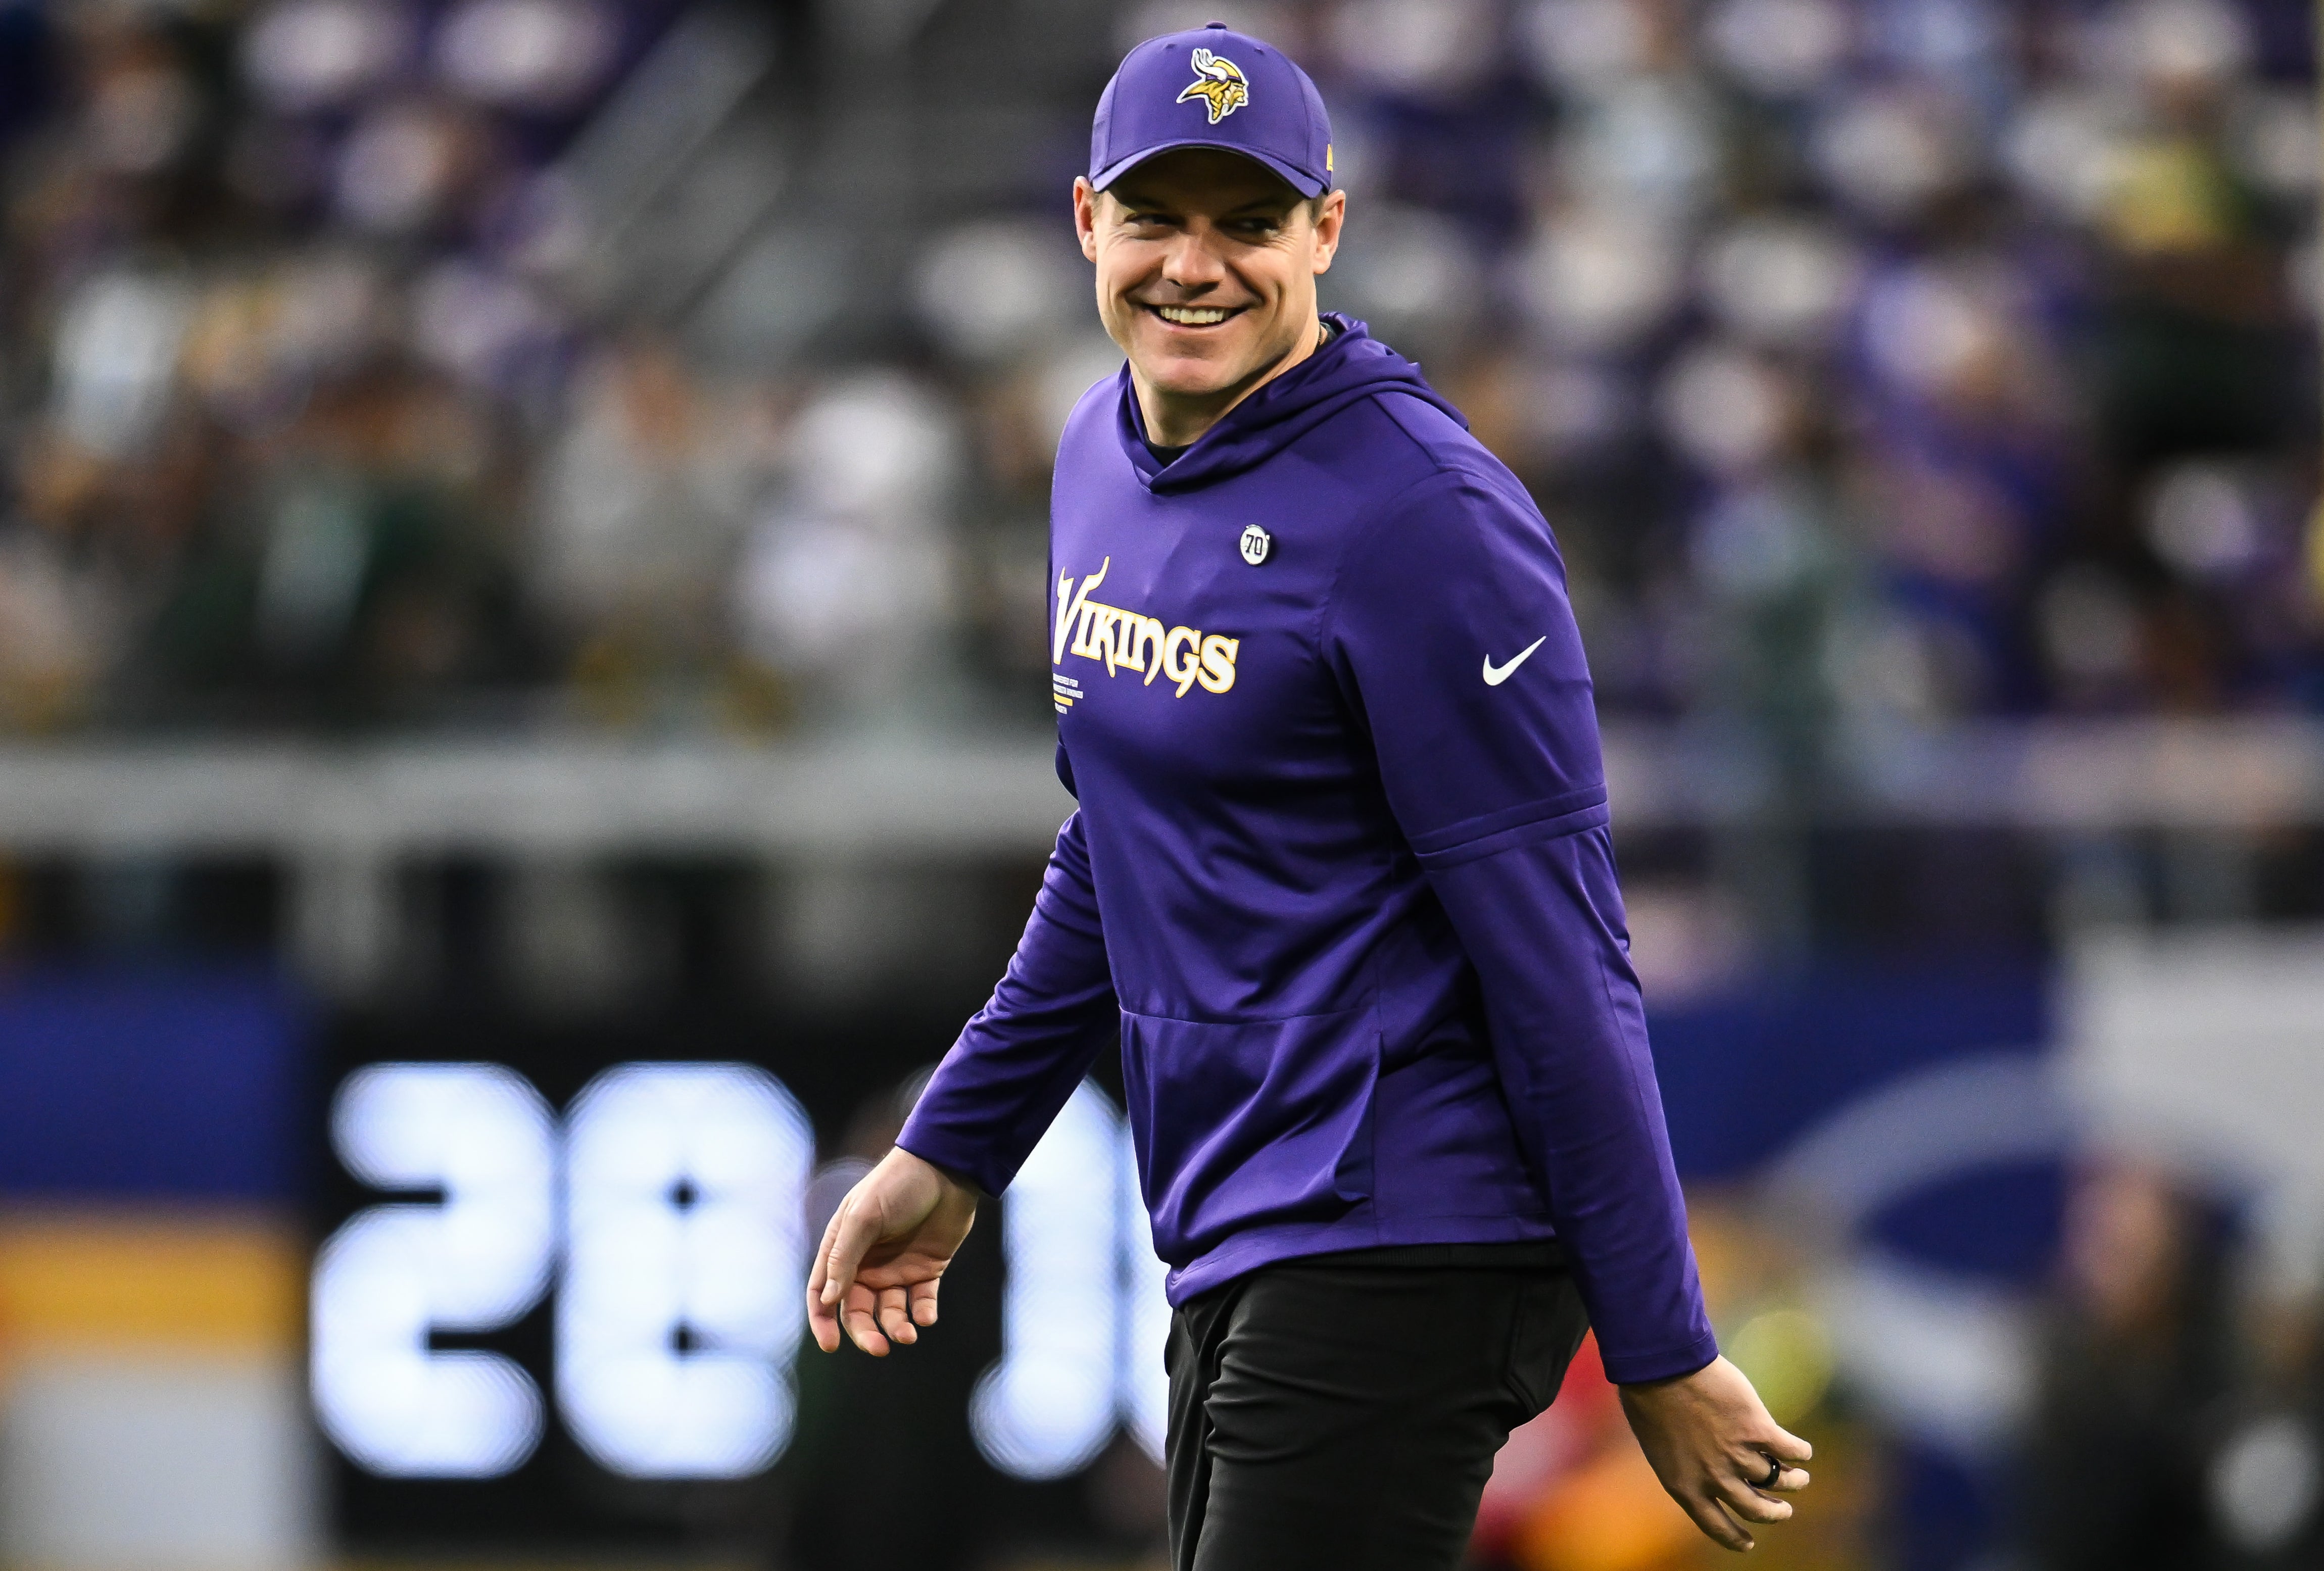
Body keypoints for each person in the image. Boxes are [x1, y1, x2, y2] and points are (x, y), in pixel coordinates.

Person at [807, 24, 1811, 1568]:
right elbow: (1119, 849)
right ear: (1086, 221)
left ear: (1325, 233)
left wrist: (1661, 1349)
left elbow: (1565, 963)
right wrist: (953, 1150)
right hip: (1241, 1219)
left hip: (1411, 1226)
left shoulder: (1428, 523)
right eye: (1156, 217)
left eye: (1249, 221)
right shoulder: (1096, 456)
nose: (1194, 266)